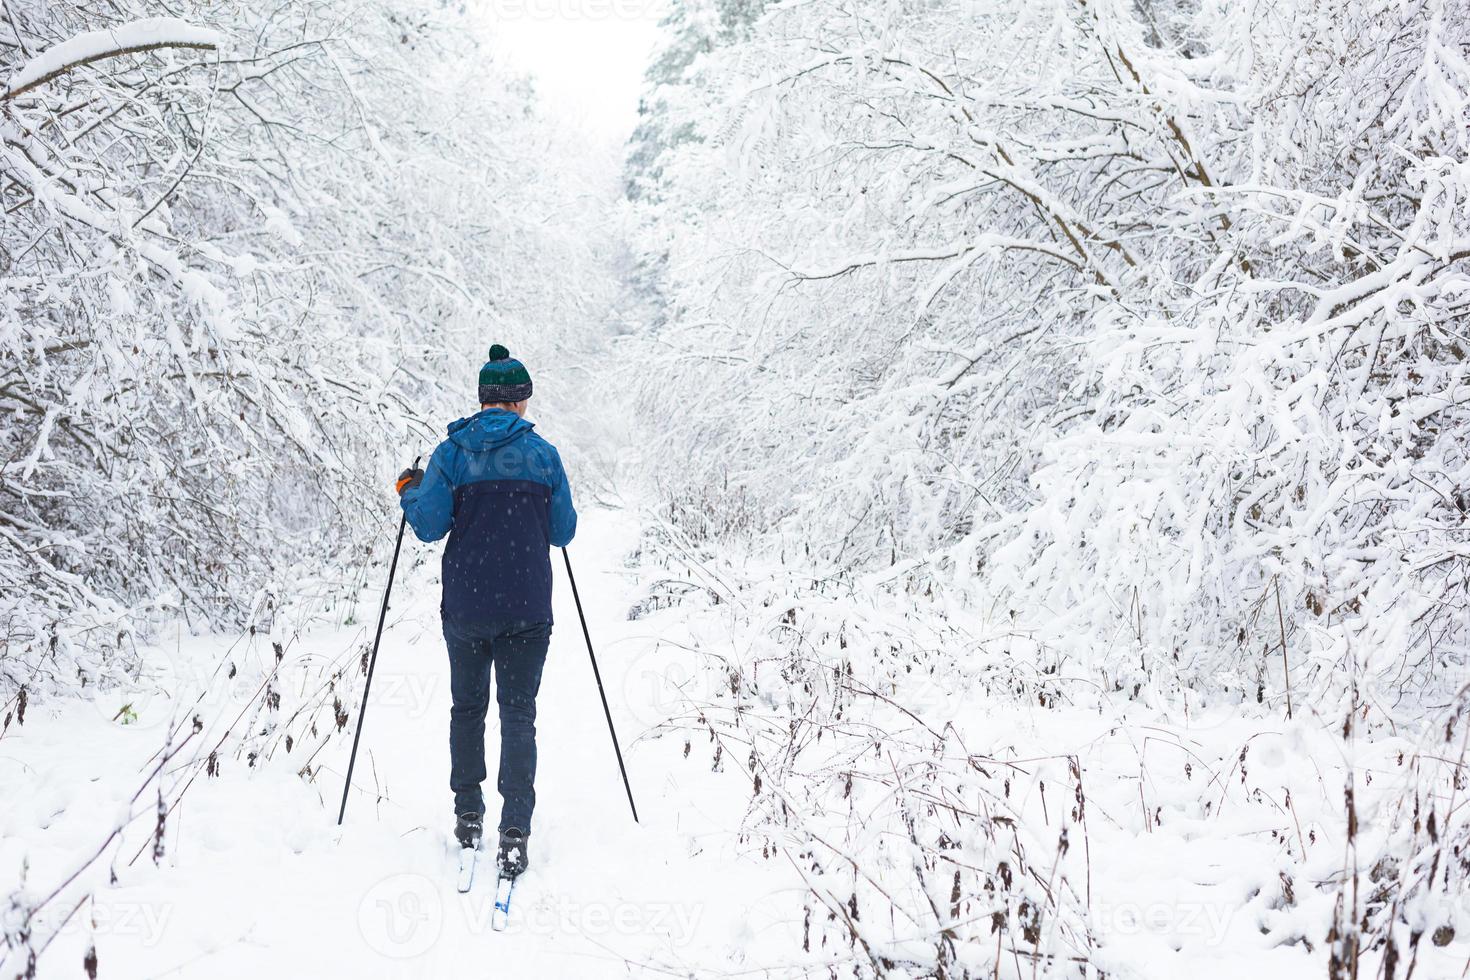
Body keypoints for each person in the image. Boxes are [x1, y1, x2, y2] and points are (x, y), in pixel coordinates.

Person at [394, 344, 576, 878]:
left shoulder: (452, 454)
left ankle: (468, 815)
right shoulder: (543, 455)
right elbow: (562, 532)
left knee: (467, 710)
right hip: (526, 607)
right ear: (520, 402)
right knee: (519, 715)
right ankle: (515, 828)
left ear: (482, 400)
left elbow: (428, 526)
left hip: (468, 605)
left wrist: (409, 490)